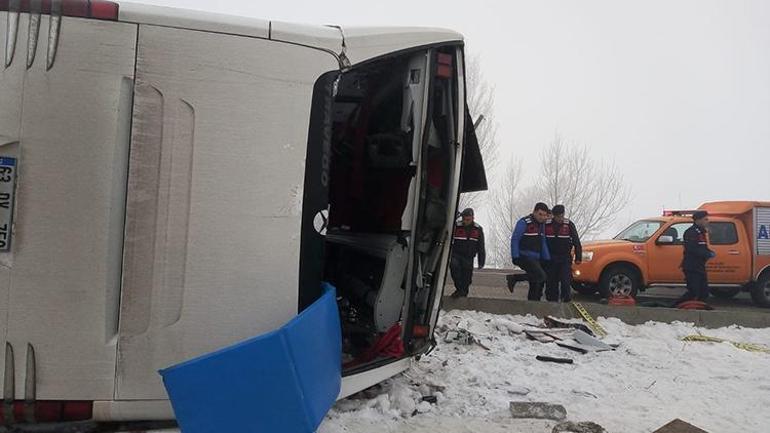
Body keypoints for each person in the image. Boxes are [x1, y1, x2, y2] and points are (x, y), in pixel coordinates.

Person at [510, 203, 551, 301]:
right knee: (541, 276)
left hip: (536, 257)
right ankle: (515, 278)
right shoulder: (524, 222)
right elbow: (515, 239)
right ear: (534, 212)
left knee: (536, 283)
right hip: (523, 256)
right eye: (540, 214)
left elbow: (543, 241)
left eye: (544, 215)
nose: (542, 217)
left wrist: (547, 257)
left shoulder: (541, 225)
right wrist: (515, 256)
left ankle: (532, 304)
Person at [544, 205, 582, 302]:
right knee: (551, 282)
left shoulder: (569, 225)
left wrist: (578, 257)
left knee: (566, 281)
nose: (560, 219)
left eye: (562, 216)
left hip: (565, 258)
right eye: (558, 216)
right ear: (554, 216)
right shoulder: (547, 225)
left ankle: (566, 300)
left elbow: (576, 241)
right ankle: (551, 301)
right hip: (551, 258)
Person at [678, 210, 715, 304]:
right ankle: (676, 307)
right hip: (692, 266)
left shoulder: (701, 232)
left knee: (704, 293)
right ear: (698, 220)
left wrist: (709, 252)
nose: (707, 221)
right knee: (693, 292)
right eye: (705, 219)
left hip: (699, 266)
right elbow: (692, 248)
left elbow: (703, 247)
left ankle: (700, 309)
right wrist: (706, 254)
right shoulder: (691, 232)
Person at [449, 208, 486, 298]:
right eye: (464, 219)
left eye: (468, 219)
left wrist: (481, 261)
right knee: (454, 269)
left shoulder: (478, 229)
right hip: (456, 255)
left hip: (469, 257)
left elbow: (481, 246)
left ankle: (463, 293)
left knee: (467, 278)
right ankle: (459, 289)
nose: (465, 221)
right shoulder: (456, 227)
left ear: (473, 218)